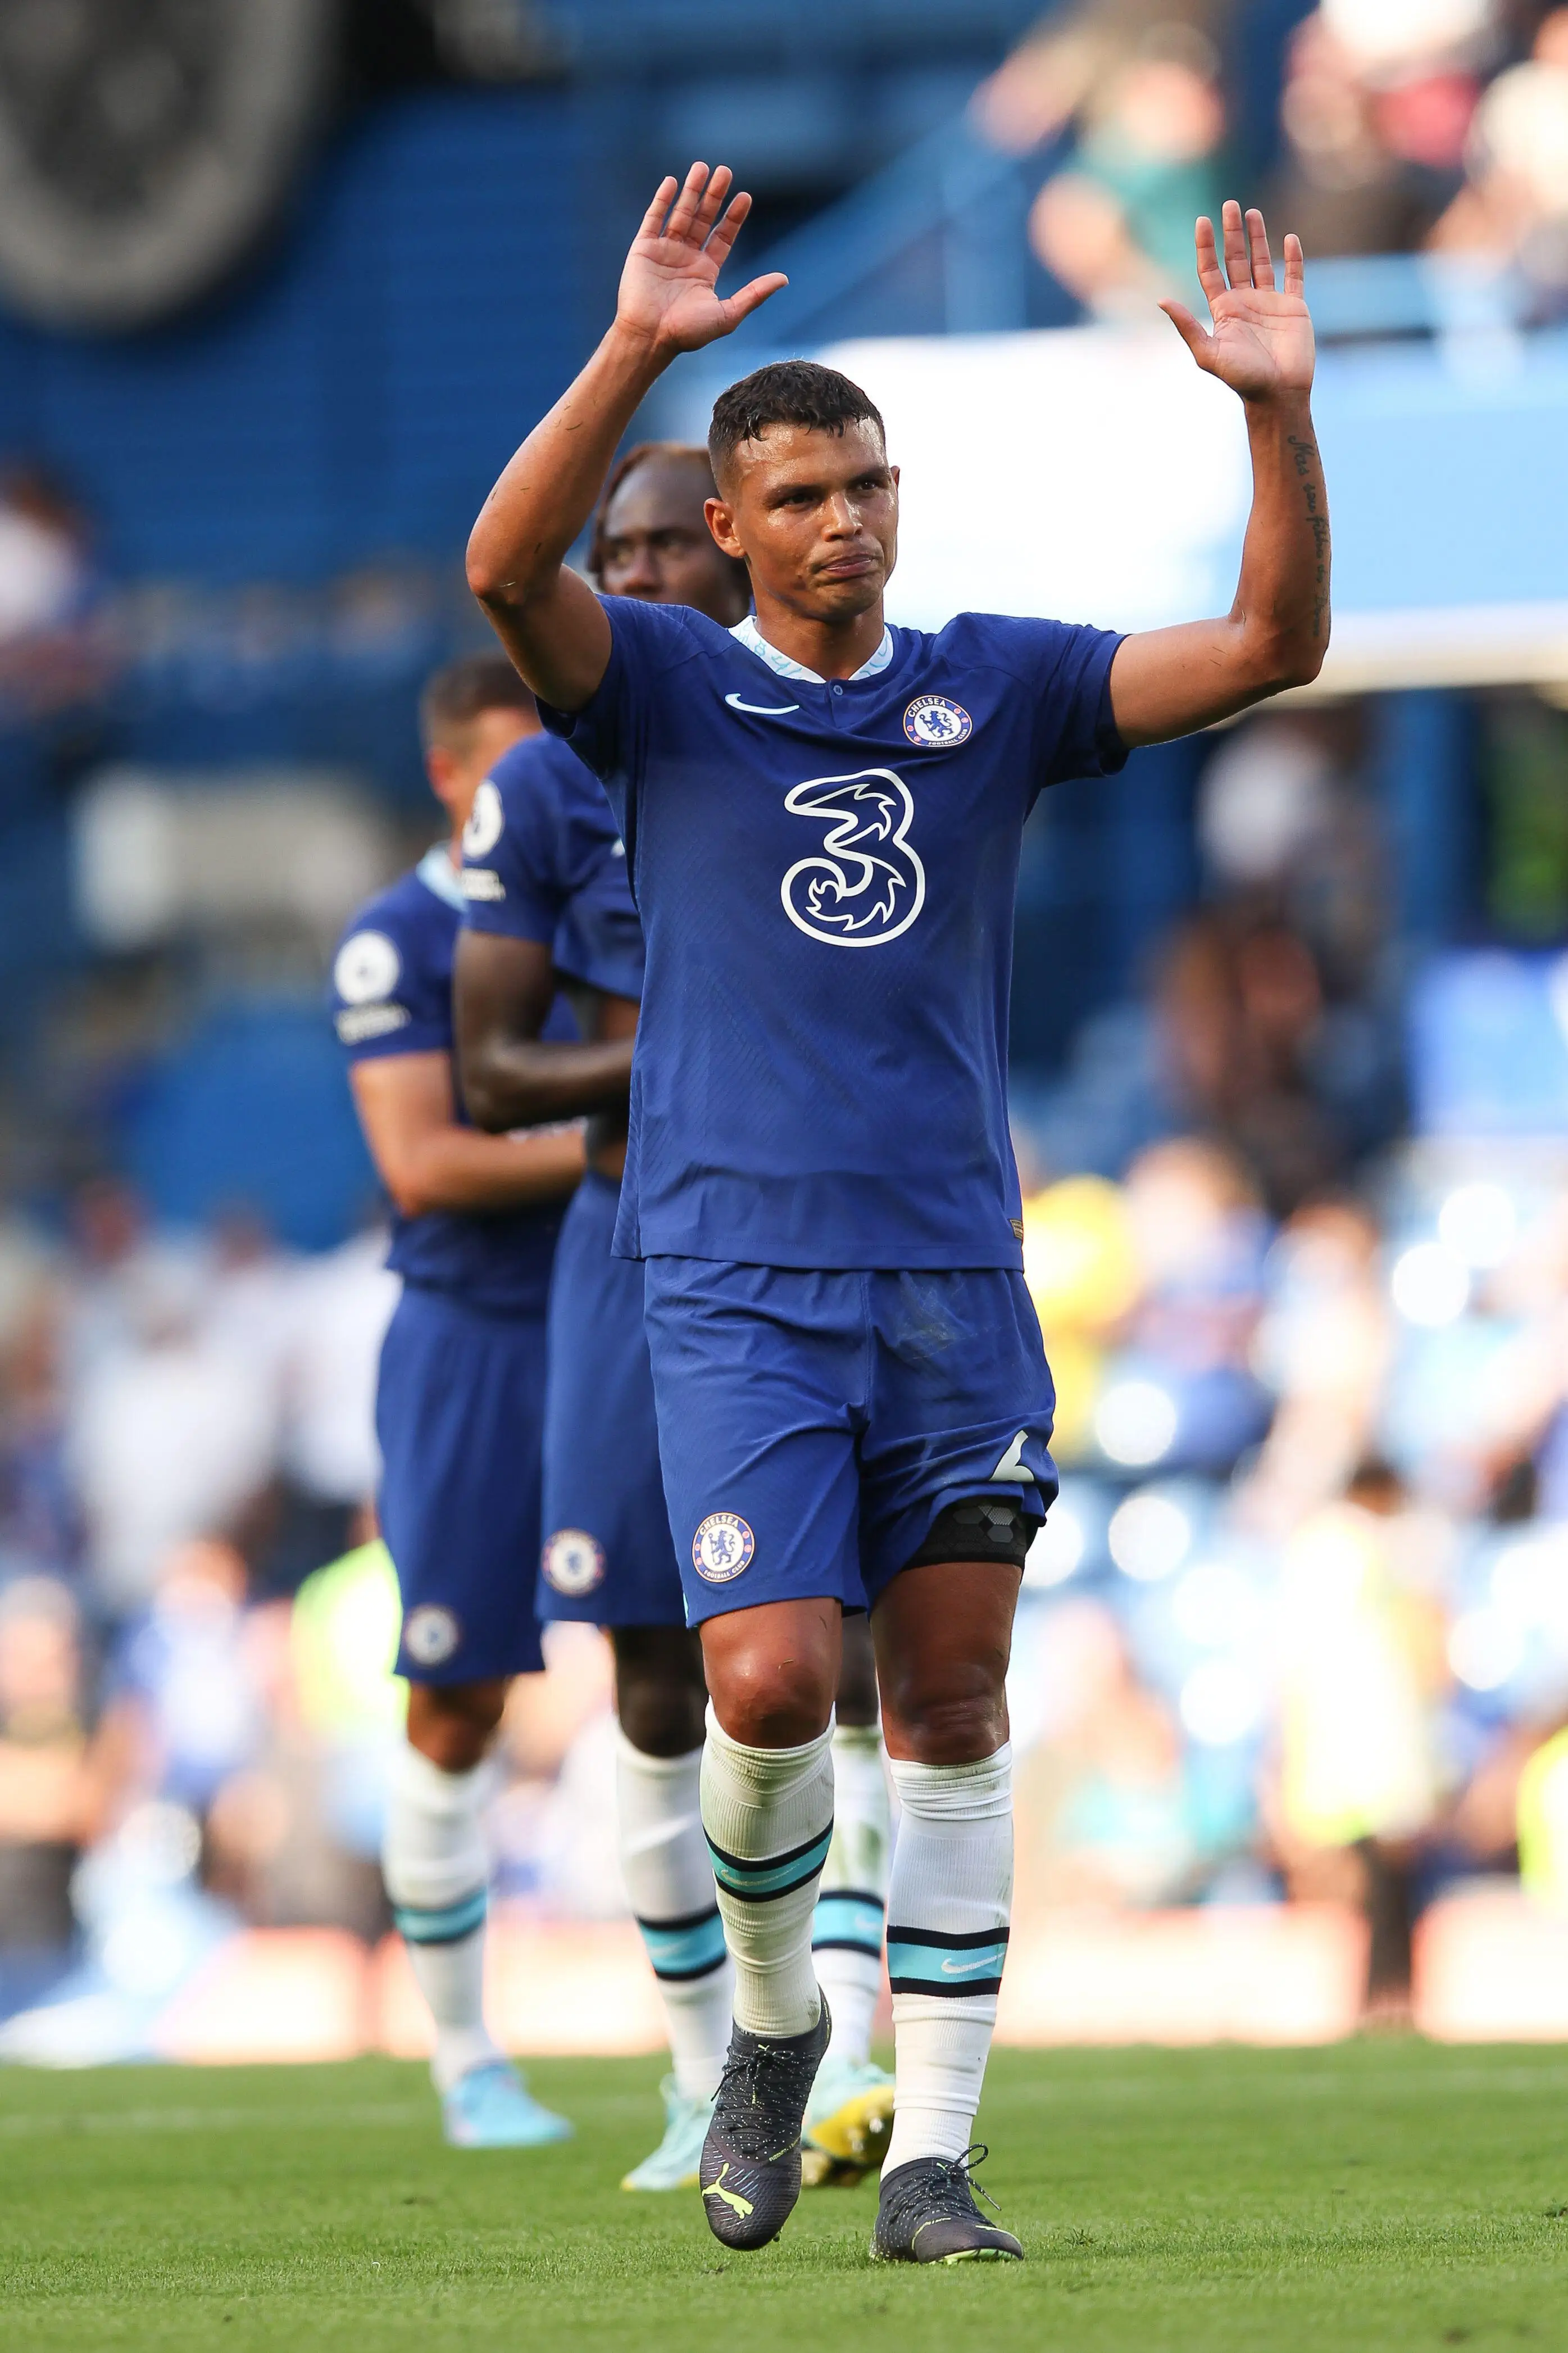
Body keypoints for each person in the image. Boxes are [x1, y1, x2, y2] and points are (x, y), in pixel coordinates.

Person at [465, 164, 1329, 2263]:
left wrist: (1273, 413)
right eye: (803, 496)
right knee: (766, 1688)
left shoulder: (994, 688)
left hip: (951, 1279)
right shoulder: (662, 692)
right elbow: (501, 570)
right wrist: (634, 348)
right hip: (734, 1280)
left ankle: (930, 2157)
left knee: (945, 1711)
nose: (845, 518)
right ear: (731, 530)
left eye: (868, 484)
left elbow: (1270, 646)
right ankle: (773, 2030)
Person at [455, 439, 896, 2192]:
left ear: (732, 549)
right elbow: (491, 1070)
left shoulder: (837, 732)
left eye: (663, 548)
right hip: (632, 1239)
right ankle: (701, 2076)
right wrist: (686, 1049)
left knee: (847, 1651)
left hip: (827, 1232)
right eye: (612, 551)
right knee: (653, 1671)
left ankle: (855, 2038)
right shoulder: (543, 783)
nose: (635, 576)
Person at [330, 655, 583, 2147]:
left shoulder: (608, 905)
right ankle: (465, 2057)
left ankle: (720, 2063)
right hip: (474, 1341)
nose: (539, 799)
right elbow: (420, 1165)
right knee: (457, 1699)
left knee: (702, 1678)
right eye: (508, 769)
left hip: (627, 1318)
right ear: (446, 776)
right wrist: (626, 1138)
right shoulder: (399, 940)